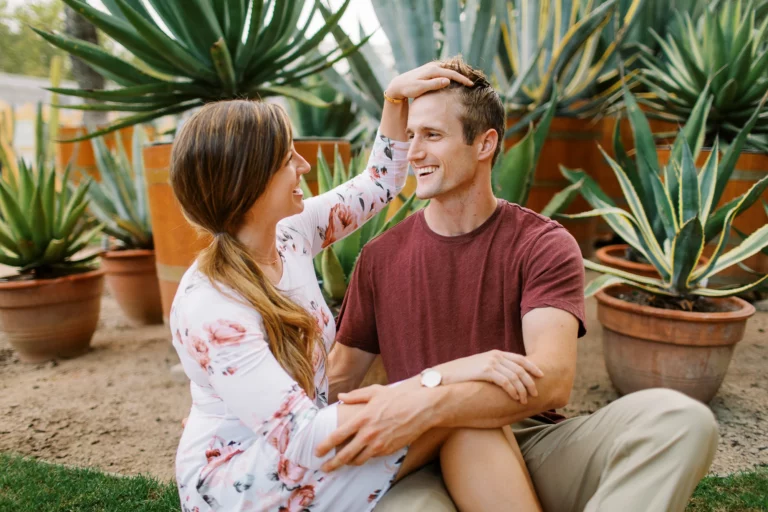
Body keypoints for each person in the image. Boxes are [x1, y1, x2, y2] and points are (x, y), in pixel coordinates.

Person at [324, 56, 719, 512]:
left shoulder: (542, 244)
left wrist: (434, 398)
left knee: (681, 419)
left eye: (432, 135)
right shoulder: (380, 258)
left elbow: (551, 380)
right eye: (411, 135)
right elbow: (339, 380)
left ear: (485, 143)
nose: (413, 153)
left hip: (535, 442)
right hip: (426, 454)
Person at [168, 64, 547, 512]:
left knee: (457, 416)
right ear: (249, 182)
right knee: (450, 410)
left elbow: (380, 182)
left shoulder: (288, 235)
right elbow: (304, 435)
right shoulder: (211, 307)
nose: (304, 165)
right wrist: (446, 374)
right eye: (288, 158)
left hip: (306, 438)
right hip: (247, 478)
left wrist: (394, 99)